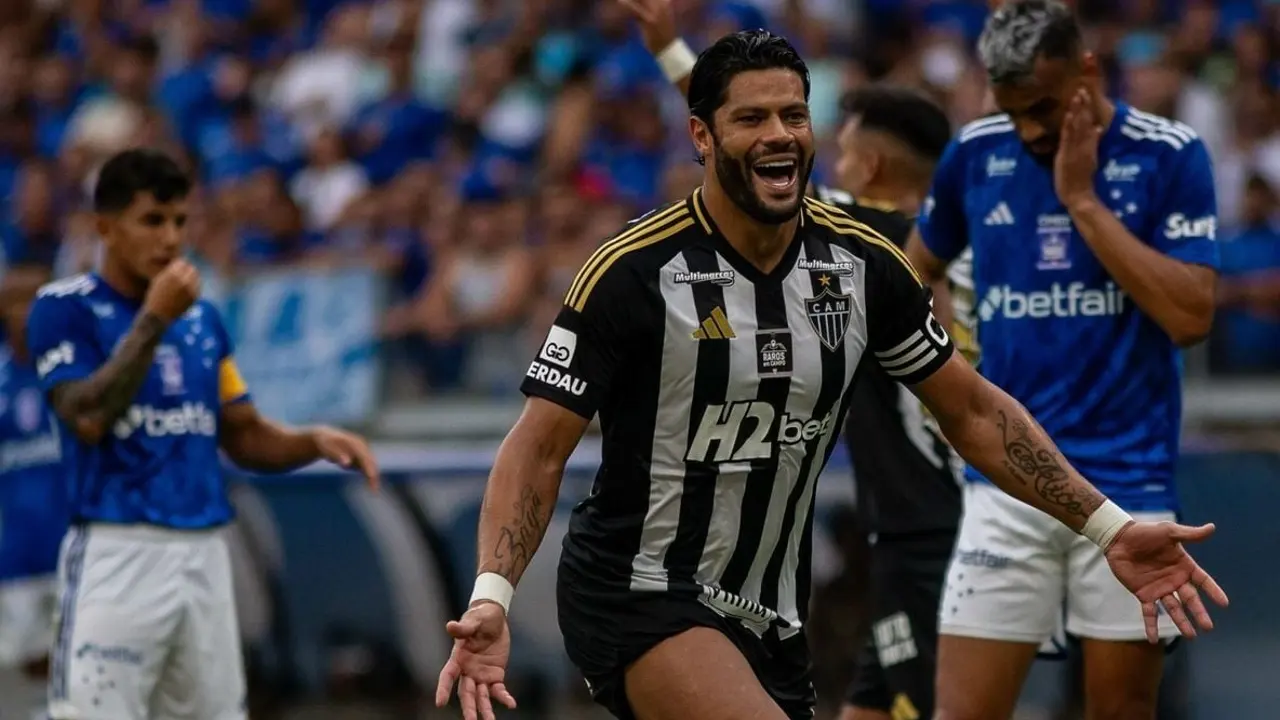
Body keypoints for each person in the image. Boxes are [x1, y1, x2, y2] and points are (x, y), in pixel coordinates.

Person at [434, 29, 1226, 720]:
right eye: (752, 119)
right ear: (702, 136)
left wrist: (1109, 528)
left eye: (794, 114)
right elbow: (537, 447)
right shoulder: (632, 272)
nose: (779, 135)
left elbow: (974, 412)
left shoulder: (863, 264)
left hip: (775, 617)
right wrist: (492, 596)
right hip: (640, 589)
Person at [904, 3, 1224, 718]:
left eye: (1043, 107)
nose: (1028, 130)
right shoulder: (975, 152)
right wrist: (949, 369)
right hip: (1006, 485)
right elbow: (913, 272)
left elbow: (1190, 317)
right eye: (1013, 111)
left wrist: (1081, 201)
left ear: (1088, 69)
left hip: (1128, 484)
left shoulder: (1169, 154)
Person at [26, 148, 379, 720]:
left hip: (204, 555)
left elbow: (243, 434)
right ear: (105, 227)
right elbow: (86, 417)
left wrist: (312, 441)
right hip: (118, 552)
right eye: (151, 221)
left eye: (179, 221)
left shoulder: (202, 320)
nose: (170, 239)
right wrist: (153, 320)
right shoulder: (64, 310)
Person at [0, 272, 67, 720]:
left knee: (84, 648)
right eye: (15, 301)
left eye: (34, 300)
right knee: (28, 657)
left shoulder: (75, 374)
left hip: (74, 542)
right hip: (17, 551)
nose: (24, 312)